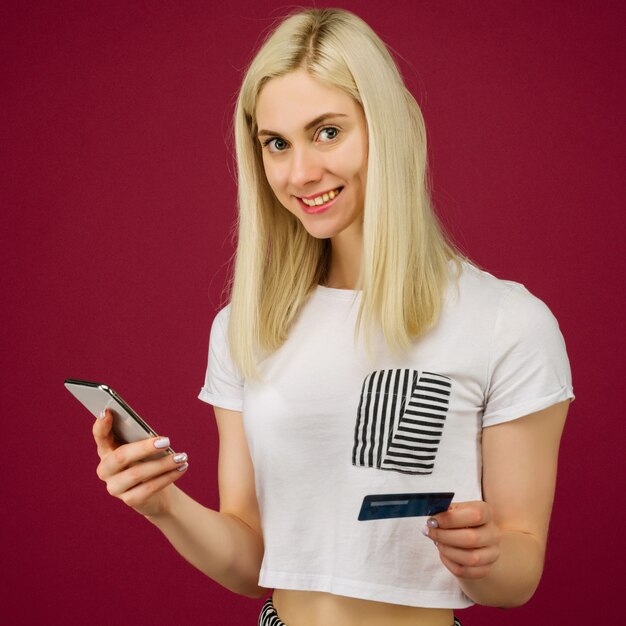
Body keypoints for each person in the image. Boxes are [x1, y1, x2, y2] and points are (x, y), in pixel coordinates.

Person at [92, 8, 574, 626]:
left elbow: (517, 577)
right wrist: (163, 505)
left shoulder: (509, 324)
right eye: (277, 143)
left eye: (327, 132)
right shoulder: (246, 328)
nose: (300, 173)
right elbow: (254, 561)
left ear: (387, 126)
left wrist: (487, 555)